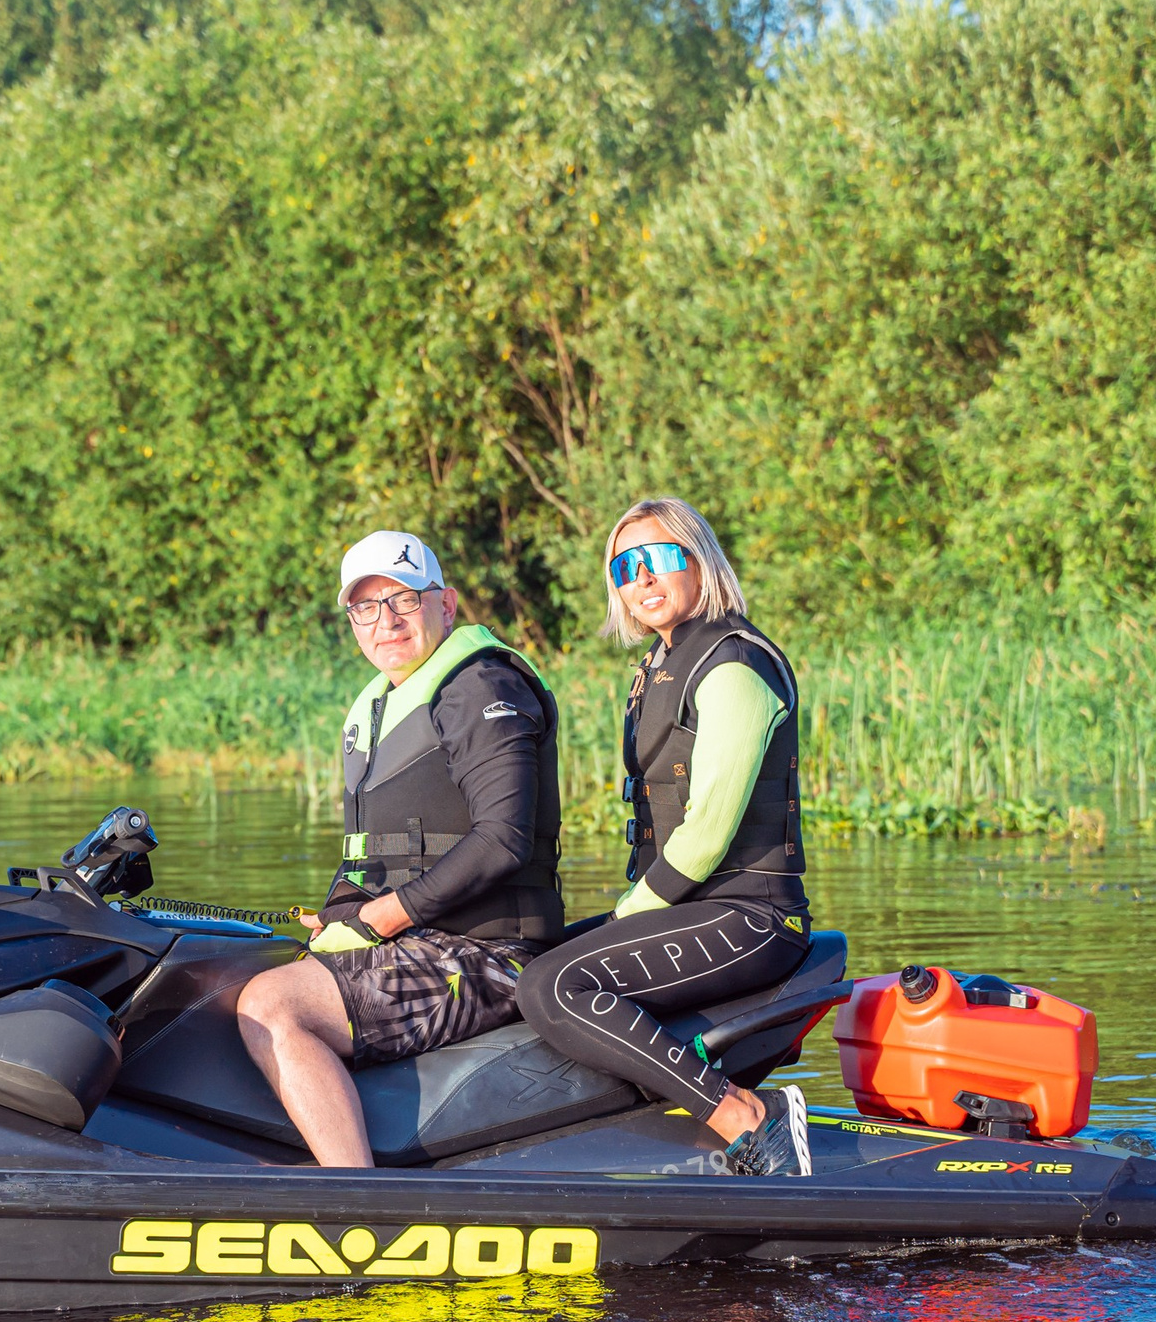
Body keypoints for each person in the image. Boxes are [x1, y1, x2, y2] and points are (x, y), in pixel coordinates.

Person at [235, 531, 565, 1166]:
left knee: (271, 1003)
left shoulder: (479, 687)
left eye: (404, 601)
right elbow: (373, 855)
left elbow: (504, 839)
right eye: (365, 607)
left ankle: (356, 1200)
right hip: (424, 941)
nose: (385, 622)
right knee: (222, 976)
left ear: (446, 604)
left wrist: (388, 915)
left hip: (490, 955)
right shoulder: (380, 706)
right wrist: (340, 913)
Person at [514, 497, 816, 1175]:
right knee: (525, 961)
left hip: (753, 916)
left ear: (699, 561)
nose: (642, 579)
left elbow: (708, 829)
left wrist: (627, 912)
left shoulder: (734, 664)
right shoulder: (659, 664)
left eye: (658, 559)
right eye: (626, 566)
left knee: (554, 986)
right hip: (697, 909)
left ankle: (738, 1113)